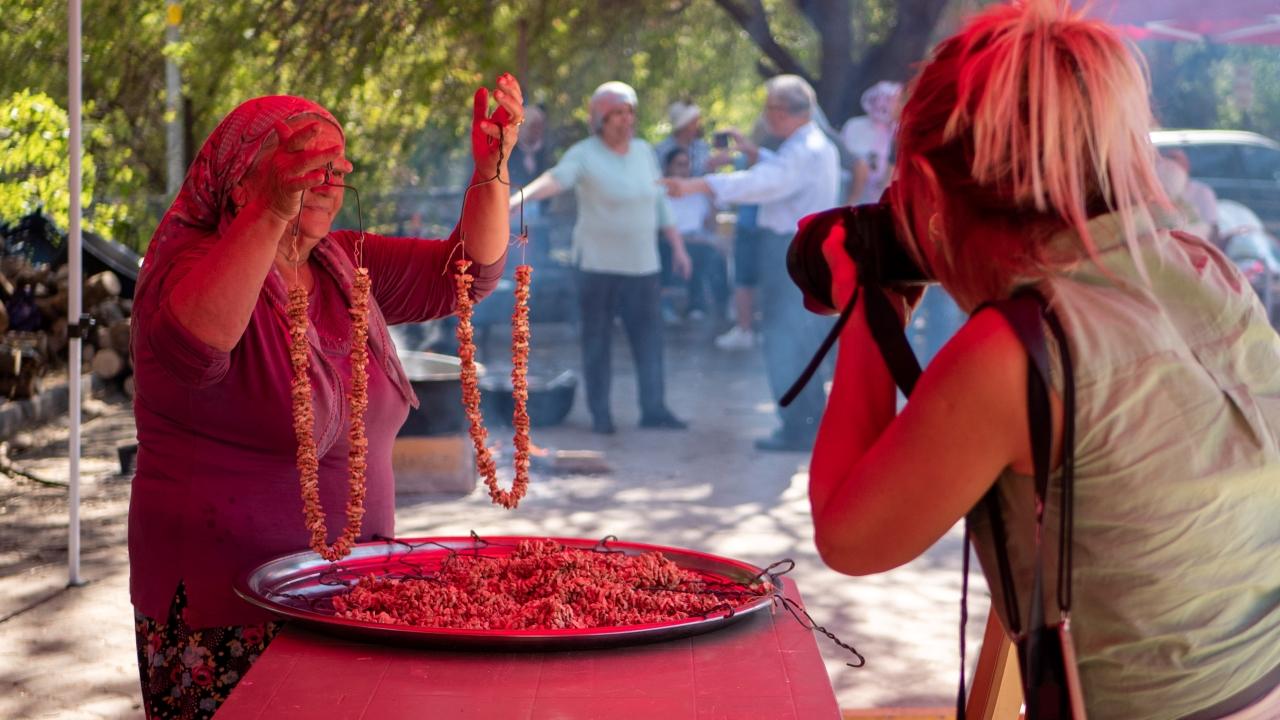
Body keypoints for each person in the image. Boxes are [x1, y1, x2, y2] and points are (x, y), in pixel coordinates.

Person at [806, 2, 1280, 718]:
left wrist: (867, 306)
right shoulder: (1201, 267)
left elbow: (851, 539)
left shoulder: (1021, 349)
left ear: (928, 186)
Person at [128, 74, 524, 718]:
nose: (326, 179)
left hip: (354, 595)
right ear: (239, 181)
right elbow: (196, 347)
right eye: (302, 165)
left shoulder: (342, 262)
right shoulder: (188, 267)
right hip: (221, 610)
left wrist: (491, 169)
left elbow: (465, 274)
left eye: (337, 167)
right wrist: (271, 213)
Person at [662, 75, 840, 452]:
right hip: (802, 249)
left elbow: (766, 183)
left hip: (790, 250)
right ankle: (805, 423)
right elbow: (778, 172)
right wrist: (755, 154)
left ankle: (798, 427)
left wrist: (697, 185)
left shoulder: (804, 149)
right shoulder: (809, 145)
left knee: (785, 338)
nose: (765, 115)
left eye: (769, 107)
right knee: (797, 337)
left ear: (781, 111)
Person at [515, 81, 691, 435]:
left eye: (629, 113)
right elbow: (556, 179)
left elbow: (658, 201)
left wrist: (677, 246)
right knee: (597, 342)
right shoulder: (584, 153)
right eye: (617, 114)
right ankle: (601, 414)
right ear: (599, 120)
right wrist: (519, 199)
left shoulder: (643, 151)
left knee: (649, 341)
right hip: (597, 266)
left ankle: (654, 409)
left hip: (643, 265)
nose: (626, 120)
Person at [663, 146, 728, 322]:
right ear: (668, 167)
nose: (684, 169)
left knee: (713, 255)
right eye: (679, 165)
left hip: (699, 242)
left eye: (686, 165)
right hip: (669, 242)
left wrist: (712, 198)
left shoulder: (698, 193)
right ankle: (665, 305)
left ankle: (717, 311)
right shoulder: (660, 194)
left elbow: (710, 226)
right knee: (673, 251)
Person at [840, 80, 902, 206]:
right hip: (849, 193)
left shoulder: (899, 133)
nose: (884, 105)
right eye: (883, 99)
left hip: (880, 201)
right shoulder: (854, 126)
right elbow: (842, 158)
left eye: (892, 100)